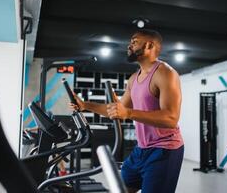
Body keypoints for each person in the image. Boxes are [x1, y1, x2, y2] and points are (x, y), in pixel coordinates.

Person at [70, 29, 184, 193]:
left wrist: (129, 113)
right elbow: (117, 110)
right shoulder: (133, 79)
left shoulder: (166, 73)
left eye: (134, 41)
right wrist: (85, 105)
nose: (129, 45)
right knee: (120, 189)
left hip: (164, 150)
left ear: (149, 45)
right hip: (141, 150)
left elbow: (171, 118)